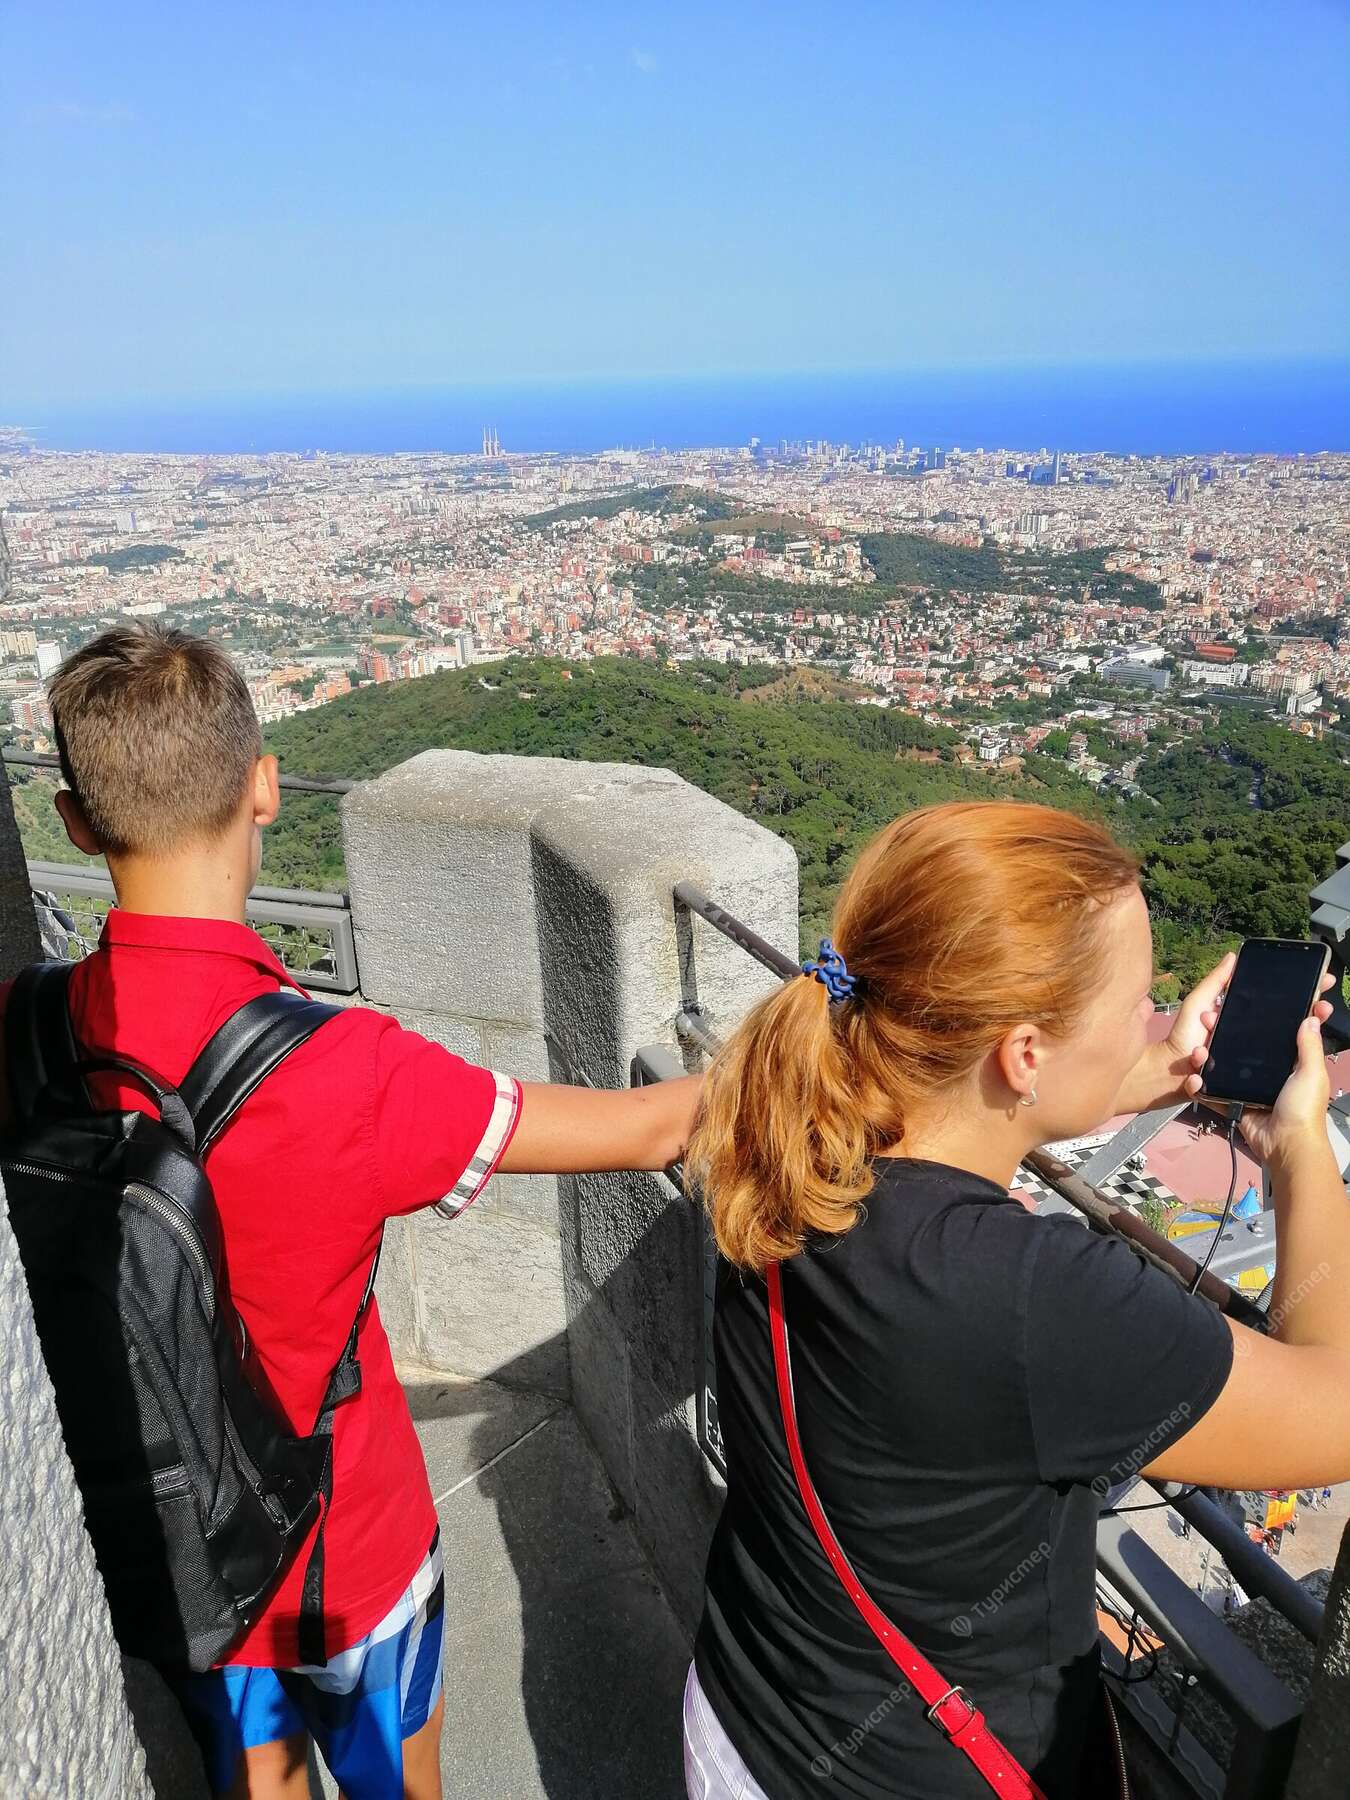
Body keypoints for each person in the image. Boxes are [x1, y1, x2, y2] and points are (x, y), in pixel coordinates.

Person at [0, 625, 702, 1800]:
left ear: (75, 825)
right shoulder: (347, 1069)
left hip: (171, 1549)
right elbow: (649, 1127)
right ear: (266, 786)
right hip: (345, 1545)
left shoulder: (22, 1023)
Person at [682, 800, 1350, 1800]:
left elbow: (963, 1108)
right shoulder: (1039, 1298)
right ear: (1025, 1053)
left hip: (742, 1713)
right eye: (1137, 1002)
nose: (1151, 1016)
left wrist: (1152, 1073)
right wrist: (1302, 1148)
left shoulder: (792, 1135)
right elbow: (1335, 1412)